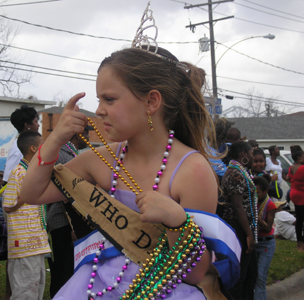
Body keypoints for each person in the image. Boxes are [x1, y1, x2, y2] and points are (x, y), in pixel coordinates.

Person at [19, 5, 241, 299]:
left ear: (151, 102)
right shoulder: (101, 158)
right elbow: (31, 194)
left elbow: (197, 272)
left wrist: (177, 222)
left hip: (162, 289)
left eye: (109, 99)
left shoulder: (192, 169)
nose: (99, 110)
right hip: (97, 285)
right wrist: (53, 140)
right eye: (99, 99)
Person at [46, 125, 94, 297]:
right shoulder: (63, 156)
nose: (88, 138)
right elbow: (66, 194)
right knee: (63, 268)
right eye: (86, 134)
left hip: (68, 221)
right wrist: (73, 225)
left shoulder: (71, 154)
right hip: (63, 220)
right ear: (78, 135)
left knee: (69, 266)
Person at [3, 131, 50, 300]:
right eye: (43, 144)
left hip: (36, 242)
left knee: (36, 285)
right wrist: (27, 195)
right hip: (24, 244)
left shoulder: (34, 172)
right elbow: (8, 206)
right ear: (33, 148)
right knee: (24, 288)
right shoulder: (18, 173)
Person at [221, 141, 257, 300]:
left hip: (245, 227)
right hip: (238, 229)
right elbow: (237, 206)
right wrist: (249, 234)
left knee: (251, 274)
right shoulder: (234, 173)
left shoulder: (241, 171)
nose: (253, 158)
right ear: (243, 155)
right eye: (251, 154)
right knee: (240, 276)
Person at [253, 175, 276, 300]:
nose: (255, 196)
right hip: (255, 242)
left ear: (265, 191)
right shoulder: (252, 203)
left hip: (266, 244)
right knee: (254, 276)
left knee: (261, 277)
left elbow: (267, 228)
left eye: (258, 193)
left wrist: (257, 219)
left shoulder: (270, 205)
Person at [3, 105, 40, 183]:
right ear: (27, 126)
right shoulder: (18, 149)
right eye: (36, 122)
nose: (38, 125)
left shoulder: (27, 144)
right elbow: (8, 177)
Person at [287, 145, 304, 251]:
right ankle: (301, 243)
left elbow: (289, 178)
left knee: (299, 219)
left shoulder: (291, 167)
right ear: (299, 157)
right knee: (301, 219)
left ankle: (299, 243)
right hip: (302, 195)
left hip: (294, 193)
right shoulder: (302, 168)